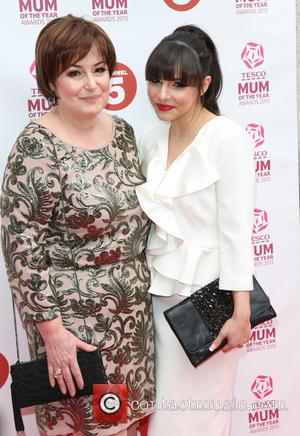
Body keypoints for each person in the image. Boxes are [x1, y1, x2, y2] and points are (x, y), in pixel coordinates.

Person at [1, 15, 155, 436]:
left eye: (100, 70)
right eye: (75, 72)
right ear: (51, 80)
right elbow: (21, 250)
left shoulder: (123, 133)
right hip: (75, 331)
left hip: (133, 322)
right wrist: (53, 333)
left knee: (125, 428)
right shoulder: (36, 146)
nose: (92, 84)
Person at [136, 25, 255, 436]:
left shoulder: (227, 137)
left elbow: (238, 230)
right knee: (164, 415)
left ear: (204, 84)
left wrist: (242, 313)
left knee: (200, 417)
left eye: (177, 84)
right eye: (155, 81)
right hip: (156, 296)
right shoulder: (150, 136)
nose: (161, 95)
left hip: (209, 304)